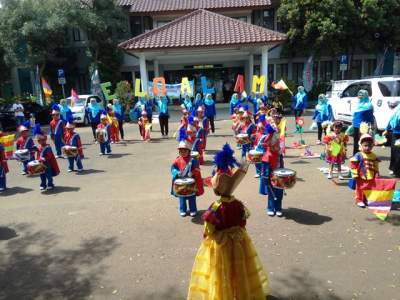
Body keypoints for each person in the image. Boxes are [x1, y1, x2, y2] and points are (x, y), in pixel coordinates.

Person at [187, 143, 268, 299]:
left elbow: (209, 228)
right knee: (239, 270)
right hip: (238, 242)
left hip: (221, 245)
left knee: (222, 271)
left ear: (217, 189)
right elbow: (243, 222)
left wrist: (207, 237)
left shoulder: (216, 207)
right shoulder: (238, 203)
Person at [170, 139, 204, 217]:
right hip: (181, 181)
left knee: (192, 197)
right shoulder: (177, 160)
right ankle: (182, 210)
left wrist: (193, 173)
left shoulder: (193, 160)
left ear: (189, 151)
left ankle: (193, 210)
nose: (183, 153)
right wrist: (177, 173)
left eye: (185, 151)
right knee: (182, 197)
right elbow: (173, 168)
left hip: (191, 182)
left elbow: (197, 169)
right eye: (181, 151)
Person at [259, 124, 284, 216]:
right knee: (271, 194)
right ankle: (270, 208)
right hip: (271, 178)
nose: (278, 147)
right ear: (271, 146)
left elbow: (281, 164)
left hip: (279, 176)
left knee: (279, 193)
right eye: (276, 145)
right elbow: (265, 171)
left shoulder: (279, 154)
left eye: (278, 145)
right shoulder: (267, 156)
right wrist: (266, 180)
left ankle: (278, 208)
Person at [350, 134, 380, 208]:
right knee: (360, 188)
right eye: (365, 145)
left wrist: (377, 173)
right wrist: (354, 174)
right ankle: (359, 200)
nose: (367, 147)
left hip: (371, 175)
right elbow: (353, 164)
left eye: (369, 146)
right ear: (361, 145)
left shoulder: (374, 155)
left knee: (369, 188)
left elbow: (376, 165)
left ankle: (366, 199)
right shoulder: (358, 155)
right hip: (361, 175)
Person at [33, 124, 60, 191]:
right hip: (40, 163)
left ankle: (50, 184)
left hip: (47, 163)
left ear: (45, 139)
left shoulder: (47, 147)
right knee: (42, 175)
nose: (42, 141)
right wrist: (36, 151)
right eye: (40, 140)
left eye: (43, 140)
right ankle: (43, 184)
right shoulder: (39, 147)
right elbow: (39, 154)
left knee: (48, 174)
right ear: (38, 141)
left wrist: (44, 158)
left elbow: (49, 155)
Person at [352, 89, 374, 155]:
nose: (360, 96)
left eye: (362, 95)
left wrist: (372, 125)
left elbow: (370, 116)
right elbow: (355, 115)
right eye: (359, 94)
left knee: (363, 140)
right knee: (355, 140)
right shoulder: (358, 104)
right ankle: (355, 154)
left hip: (363, 126)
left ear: (365, 95)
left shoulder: (369, 105)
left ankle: (363, 154)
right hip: (355, 125)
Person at [383, 105, 400, 177]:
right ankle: (393, 169)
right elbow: (391, 119)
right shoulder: (397, 110)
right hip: (395, 134)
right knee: (394, 152)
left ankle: (397, 171)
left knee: (398, 154)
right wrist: (387, 129)